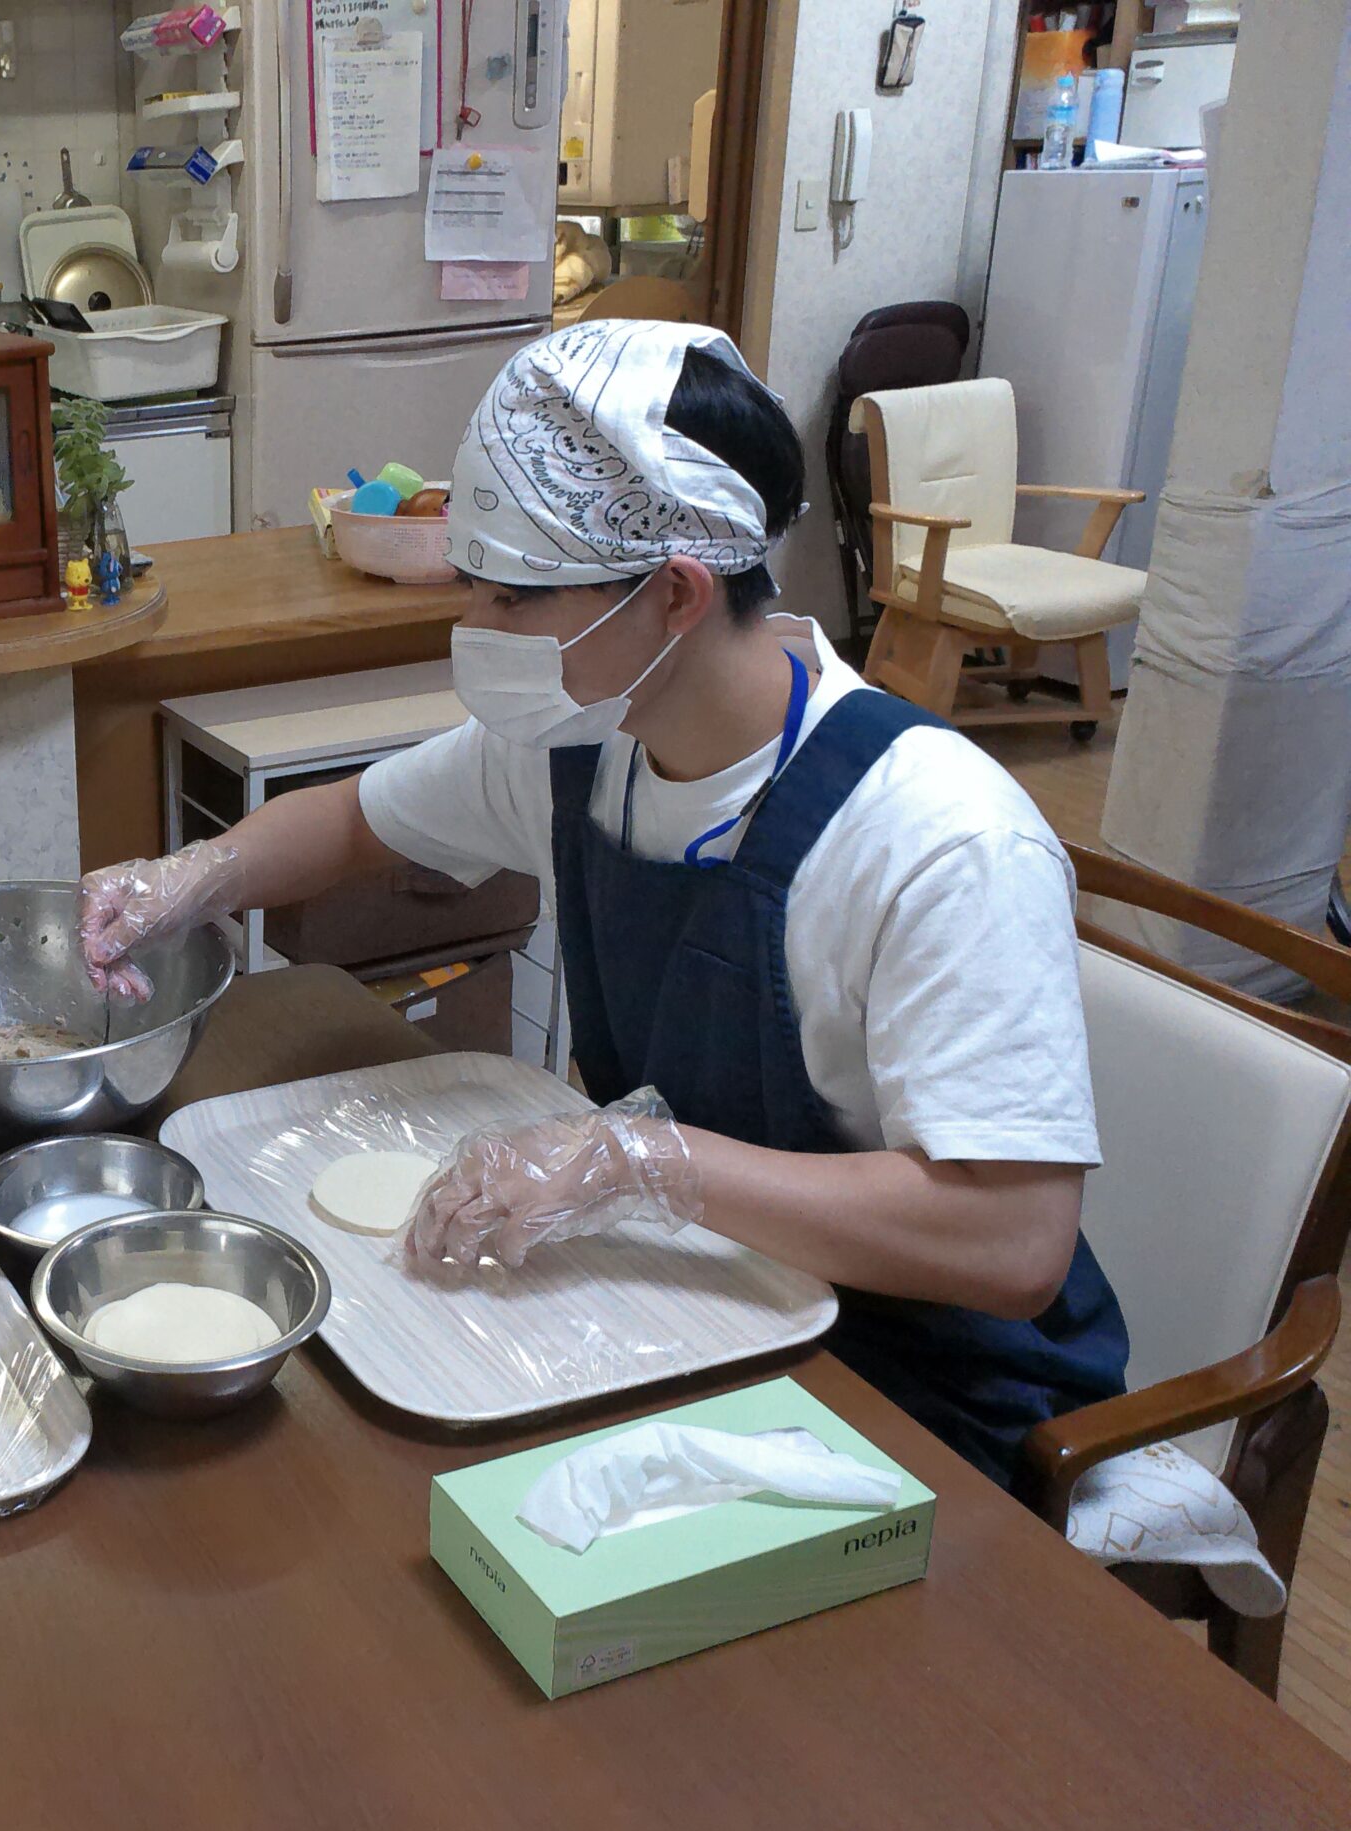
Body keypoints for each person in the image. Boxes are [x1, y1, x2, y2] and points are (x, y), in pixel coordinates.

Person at [80, 320, 1128, 1494]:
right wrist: (184, 881)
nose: (469, 633)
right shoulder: (591, 740)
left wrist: (640, 1160)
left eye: (505, 599)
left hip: (917, 1395)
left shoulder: (936, 840)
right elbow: (347, 823)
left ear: (674, 593)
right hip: (699, 1308)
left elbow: (1011, 1241)